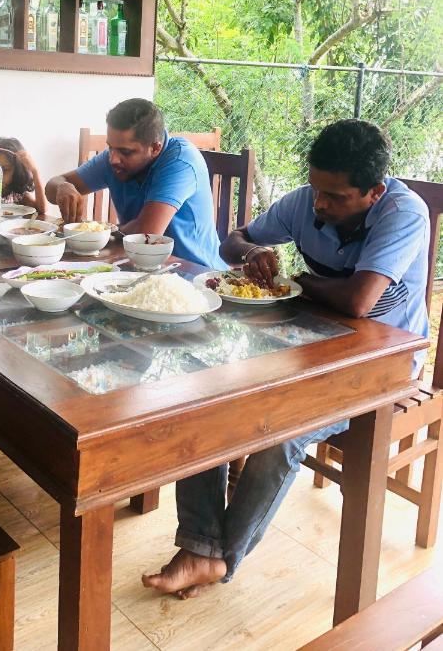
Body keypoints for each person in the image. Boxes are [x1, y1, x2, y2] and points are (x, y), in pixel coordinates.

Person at [142, 118, 429, 599]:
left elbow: (360, 302)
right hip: (308, 343)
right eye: (317, 189)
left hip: (384, 361)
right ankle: (200, 548)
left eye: (335, 197)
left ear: (375, 191)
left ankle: (216, 557)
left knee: (282, 436)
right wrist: (253, 250)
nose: (319, 204)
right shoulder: (304, 200)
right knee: (204, 394)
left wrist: (298, 279)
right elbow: (231, 242)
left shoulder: (405, 214)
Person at [45, 99, 222, 269]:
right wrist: (63, 186)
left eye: (126, 152)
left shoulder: (180, 161)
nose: (113, 159)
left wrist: (98, 232)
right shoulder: (113, 159)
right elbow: (51, 188)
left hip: (196, 275)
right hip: (139, 264)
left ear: (155, 148)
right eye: (110, 147)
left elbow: (145, 234)